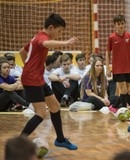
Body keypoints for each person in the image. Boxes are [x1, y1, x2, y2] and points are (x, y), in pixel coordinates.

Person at [19, 13, 78, 150]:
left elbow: (22, 51)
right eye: (59, 31)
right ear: (51, 27)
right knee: (41, 113)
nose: (59, 34)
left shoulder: (36, 36)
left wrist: (27, 67)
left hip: (37, 77)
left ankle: (61, 139)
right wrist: (66, 43)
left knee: (55, 107)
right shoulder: (42, 38)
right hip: (32, 79)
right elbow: (46, 43)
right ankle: (19, 143)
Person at [106, 15, 130, 113]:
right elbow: (108, 53)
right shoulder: (112, 37)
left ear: (125, 24)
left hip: (128, 68)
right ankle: (124, 110)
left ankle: (114, 106)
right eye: (118, 24)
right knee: (123, 90)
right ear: (115, 25)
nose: (121, 26)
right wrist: (107, 68)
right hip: (118, 69)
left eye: (122, 23)